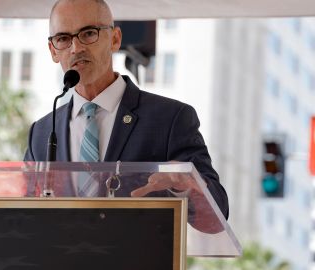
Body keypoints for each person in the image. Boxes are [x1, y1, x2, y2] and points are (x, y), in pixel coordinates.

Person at [24, 0, 229, 221]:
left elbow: (217, 214)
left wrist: (187, 187)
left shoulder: (170, 119)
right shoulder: (42, 132)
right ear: (53, 51)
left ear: (115, 39)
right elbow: (25, 217)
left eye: (89, 33)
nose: (76, 48)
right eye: (63, 38)